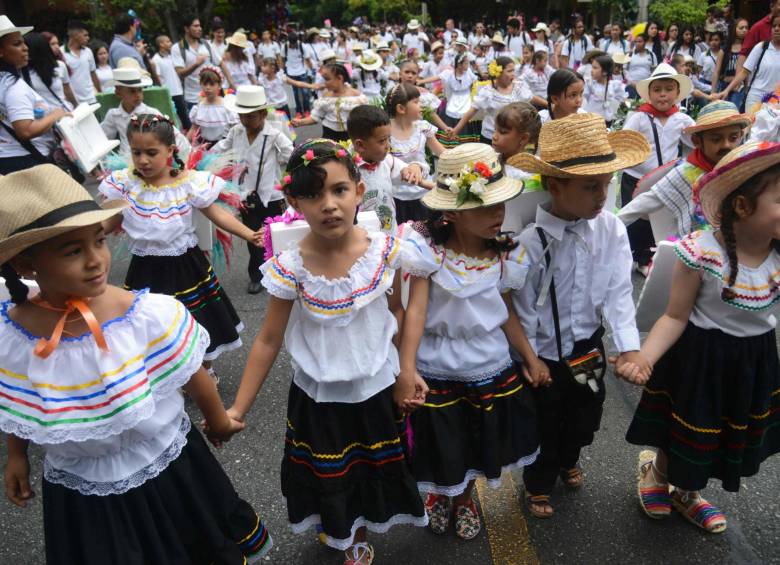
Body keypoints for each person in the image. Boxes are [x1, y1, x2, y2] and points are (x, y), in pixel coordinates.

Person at [0, 165, 272, 565]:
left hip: (168, 463)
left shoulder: (142, 315)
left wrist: (218, 420)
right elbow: (22, 400)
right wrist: (17, 455)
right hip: (82, 484)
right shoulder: (14, 334)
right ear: (26, 265)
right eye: (73, 251)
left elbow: (190, 371)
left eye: (99, 241)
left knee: (193, 544)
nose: (96, 260)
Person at [228, 139, 428, 564]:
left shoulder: (382, 251)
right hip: (319, 396)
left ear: (359, 190)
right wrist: (238, 409)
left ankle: (359, 524)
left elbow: (396, 312)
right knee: (330, 473)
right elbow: (268, 338)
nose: (329, 205)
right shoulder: (291, 265)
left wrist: (408, 371)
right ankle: (346, 533)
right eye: (313, 195)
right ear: (294, 201)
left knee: (372, 466)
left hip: (376, 386)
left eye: (339, 190)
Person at [617, 141, 780, 534]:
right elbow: (674, 316)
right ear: (742, 206)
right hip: (699, 357)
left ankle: (687, 492)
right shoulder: (702, 252)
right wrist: (644, 357)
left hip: (753, 360)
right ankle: (657, 473)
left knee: (720, 433)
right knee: (687, 425)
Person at [506, 113, 650, 518]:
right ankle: (538, 481)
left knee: (586, 414)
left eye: (606, 184)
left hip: (587, 346)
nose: (602, 195)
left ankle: (569, 457)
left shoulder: (611, 230)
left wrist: (628, 348)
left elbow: (619, 291)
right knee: (544, 420)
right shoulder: (530, 240)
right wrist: (529, 360)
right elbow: (519, 304)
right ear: (554, 185)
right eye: (590, 186)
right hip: (544, 355)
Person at [398, 142, 542, 538]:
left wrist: (529, 357)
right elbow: (417, 312)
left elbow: (507, 313)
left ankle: (464, 497)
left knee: (476, 436)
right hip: (437, 364)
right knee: (443, 438)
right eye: (485, 208)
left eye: (501, 206)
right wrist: (406, 369)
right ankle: (442, 494)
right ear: (453, 212)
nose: (498, 215)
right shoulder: (429, 253)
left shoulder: (503, 255)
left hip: (486, 362)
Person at [99, 114, 256, 375]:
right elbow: (107, 221)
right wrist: (80, 237)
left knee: (196, 319)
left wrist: (249, 234)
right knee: (148, 323)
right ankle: (166, 371)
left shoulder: (187, 183)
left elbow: (217, 214)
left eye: (151, 152)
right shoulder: (127, 185)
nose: (143, 160)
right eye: (136, 152)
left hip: (185, 266)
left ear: (170, 150)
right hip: (144, 268)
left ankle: (204, 369)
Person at [618, 101, 752, 238]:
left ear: (741, 136)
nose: (726, 145)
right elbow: (651, 199)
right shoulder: (688, 172)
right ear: (697, 142)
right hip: (699, 246)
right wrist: (612, 223)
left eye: (733, 138)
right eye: (716, 139)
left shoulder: (748, 169)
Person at [212, 85, 293, 294]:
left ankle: (282, 271)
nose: (245, 121)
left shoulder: (274, 135)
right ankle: (257, 275)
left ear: (263, 114)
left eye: (250, 116)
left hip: (271, 196)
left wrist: (285, 171)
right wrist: (202, 157)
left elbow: (291, 155)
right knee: (253, 236)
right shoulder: (236, 132)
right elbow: (221, 148)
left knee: (276, 234)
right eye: (242, 116)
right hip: (245, 195)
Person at [621, 63, 695, 276]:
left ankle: (653, 255)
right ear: (649, 94)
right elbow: (625, 141)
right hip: (635, 178)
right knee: (636, 217)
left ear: (677, 93)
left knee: (659, 216)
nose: (663, 95)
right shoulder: (639, 118)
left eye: (668, 89)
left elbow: (697, 137)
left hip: (665, 179)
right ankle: (635, 255)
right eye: (657, 89)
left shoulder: (682, 119)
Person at [0, 17, 68, 175]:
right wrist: (55, 115)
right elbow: (25, 131)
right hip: (25, 160)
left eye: (23, 42)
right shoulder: (13, 87)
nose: (25, 48)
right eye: (17, 44)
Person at [346, 104, 427, 233]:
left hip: (390, 235)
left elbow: (408, 171)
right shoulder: (345, 169)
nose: (388, 145)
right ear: (360, 145)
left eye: (389, 139)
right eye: (382, 141)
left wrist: (415, 167)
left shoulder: (386, 162)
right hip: (361, 240)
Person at [387, 83, 444, 223]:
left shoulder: (422, 127)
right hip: (397, 196)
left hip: (424, 191)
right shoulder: (385, 132)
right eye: (416, 102)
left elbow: (442, 153)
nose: (421, 106)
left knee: (428, 233)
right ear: (401, 108)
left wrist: (464, 158)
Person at [100, 66, 190, 155]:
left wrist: (184, 154)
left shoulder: (150, 112)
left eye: (140, 90)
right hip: (125, 160)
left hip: (148, 159)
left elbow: (172, 134)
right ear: (118, 93)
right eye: (132, 91)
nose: (138, 95)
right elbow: (103, 138)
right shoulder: (114, 115)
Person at [450, 56, 538, 146]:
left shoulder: (518, 87)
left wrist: (548, 104)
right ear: (498, 73)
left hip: (513, 137)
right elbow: (472, 111)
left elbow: (532, 98)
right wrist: (456, 130)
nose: (513, 74)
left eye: (513, 71)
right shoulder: (488, 92)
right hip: (490, 137)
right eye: (509, 71)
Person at [291, 62, 367, 142]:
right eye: (324, 79)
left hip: (351, 136)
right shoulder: (325, 97)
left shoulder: (356, 96)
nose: (325, 83)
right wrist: (300, 122)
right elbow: (316, 116)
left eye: (327, 79)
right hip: (329, 135)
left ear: (340, 78)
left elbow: (364, 118)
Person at [720, 14, 780, 111]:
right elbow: (744, 72)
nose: (776, 29)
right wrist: (726, 90)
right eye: (774, 26)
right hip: (755, 98)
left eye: (779, 26)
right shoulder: (762, 47)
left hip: (776, 102)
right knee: (753, 126)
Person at [418, 53, 478, 147]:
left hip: (464, 108)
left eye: (468, 63)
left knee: (463, 133)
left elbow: (476, 82)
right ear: (459, 64)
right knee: (449, 133)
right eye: (466, 63)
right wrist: (420, 81)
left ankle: (463, 150)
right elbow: (436, 78)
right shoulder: (448, 73)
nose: (467, 65)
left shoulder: (469, 73)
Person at [171, 16, 220, 110]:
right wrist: (196, 64)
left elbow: (221, 63)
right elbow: (180, 73)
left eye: (200, 26)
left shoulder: (207, 44)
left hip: (211, 96)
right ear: (186, 29)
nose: (200, 28)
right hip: (191, 99)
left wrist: (231, 83)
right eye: (196, 26)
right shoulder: (177, 48)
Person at [23, 31, 76, 111]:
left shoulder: (60, 66)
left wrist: (76, 106)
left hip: (65, 113)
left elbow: (67, 89)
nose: (24, 49)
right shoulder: (23, 72)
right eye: (52, 44)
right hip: (45, 119)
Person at [187, 66, 237, 145]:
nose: (208, 88)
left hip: (223, 147)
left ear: (219, 85)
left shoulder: (226, 106)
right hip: (204, 147)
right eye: (205, 84)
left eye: (212, 84)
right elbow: (193, 128)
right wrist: (185, 144)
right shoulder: (199, 107)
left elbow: (235, 129)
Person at [152, 34, 189, 129]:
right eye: (168, 41)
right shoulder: (156, 59)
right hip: (168, 93)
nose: (171, 43)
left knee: (185, 118)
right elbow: (158, 78)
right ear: (161, 44)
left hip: (179, 91)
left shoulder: (173, 56)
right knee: (171, 119)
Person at [712, 18, 749, 107]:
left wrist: (747, 90)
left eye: (746, 28)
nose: (744, 30)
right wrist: (712, 92)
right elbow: (716, 72)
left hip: (739, 87)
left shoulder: (748, 48)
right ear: (734, 29)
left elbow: (747, 72)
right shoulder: (725, 49)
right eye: (741, 28)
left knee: (733, 113)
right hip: (723, 85)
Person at [582, 54, 627, 126]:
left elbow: (620, 99)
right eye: (592, 67)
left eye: (595, 68)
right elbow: (585, 99)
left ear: (605, 72)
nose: (591, 71)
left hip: (606, 122)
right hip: (590, 121)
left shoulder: (614, 86)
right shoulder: (590, 85)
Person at [63, 20, 100, 104]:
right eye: (85, 35)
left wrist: (100, 93)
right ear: (76, 35)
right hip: (74, 102)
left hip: (92, 98)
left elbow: (93, 74)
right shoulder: (61, 53)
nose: (88, 38)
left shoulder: (88, 51)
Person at [282, 31, 315, 117]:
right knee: (295, 94)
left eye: (294, 43)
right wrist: (281, 71)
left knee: (305, 93)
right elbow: (282, 59)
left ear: (297, 41)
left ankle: (307, 110)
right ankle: (298, 111)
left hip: (302, 72)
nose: (293, 45)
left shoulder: (302, 46)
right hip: (291, 73)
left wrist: (312, 70)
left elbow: (307, 59)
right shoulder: (285, 47)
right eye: (291, 44)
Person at [626, 34, 657, 98]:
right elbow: (624, 69)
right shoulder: (630, 54)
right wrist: (631, 82)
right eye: (636, 42)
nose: (637, 43)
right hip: (631, 86)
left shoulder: (651, 54)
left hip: (646, 87)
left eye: (640, 41)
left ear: (645, 42)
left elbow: (654, 71)